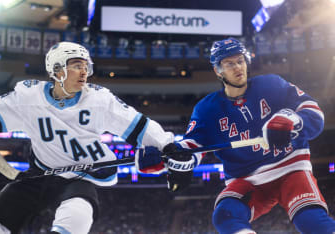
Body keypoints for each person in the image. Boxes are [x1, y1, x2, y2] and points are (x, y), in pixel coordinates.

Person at [0, 42, 179, 234]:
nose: (84, 72)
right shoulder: (29, 97)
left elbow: (139, 126)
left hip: (80, 177)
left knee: (78, 216)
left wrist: (167, 145)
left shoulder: (100, 101)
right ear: (57, 69)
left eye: (86, 67)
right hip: (39, 175)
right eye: (77, 66)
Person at [138, 38, 335, 233]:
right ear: (218, 70)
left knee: (312, 222)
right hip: (247, 180)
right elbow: (192, 146)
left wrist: (292, 120)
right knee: (225, 216)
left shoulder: (272, 84)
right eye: (229, 63)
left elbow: (313, 112)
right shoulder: (207, 109)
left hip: (290, 169)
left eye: (240, 61)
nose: (237, 67)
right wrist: (167, 157)